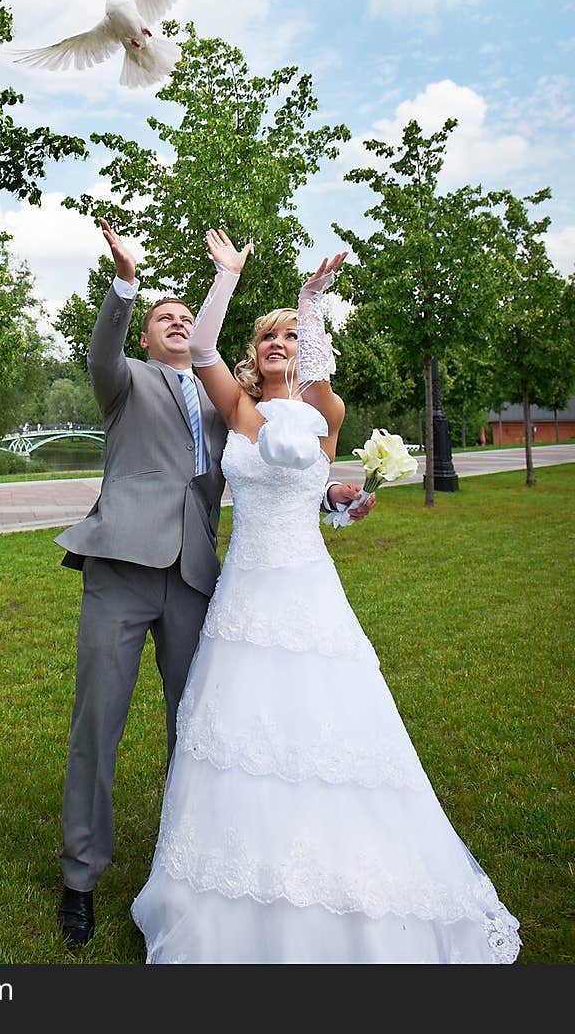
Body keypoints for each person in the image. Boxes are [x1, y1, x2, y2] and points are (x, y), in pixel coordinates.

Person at [131, 228, 521, 964]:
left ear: (305, 350)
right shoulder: (241, 411)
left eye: (290, 335)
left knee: (329, 733)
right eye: (269, 334)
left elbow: (311, 472)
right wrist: (226, 278)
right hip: (246, 594)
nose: (278, 343)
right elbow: (205, 347)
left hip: (308, 590)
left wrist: (340, 500)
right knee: (242, 737)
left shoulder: (324, 414)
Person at [53, 218, 374, 949]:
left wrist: (331, 497)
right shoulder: (123, 380)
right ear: (146, 336)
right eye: (162, 317)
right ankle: (80, 878)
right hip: (123, 571)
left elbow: (297, 459)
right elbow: (109, 347)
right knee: (97, 723)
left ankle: (188, 870)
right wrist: (125, 285)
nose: (175, 322)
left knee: (199, 731)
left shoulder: (230, 402)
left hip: (200, 578)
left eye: (181, 314)